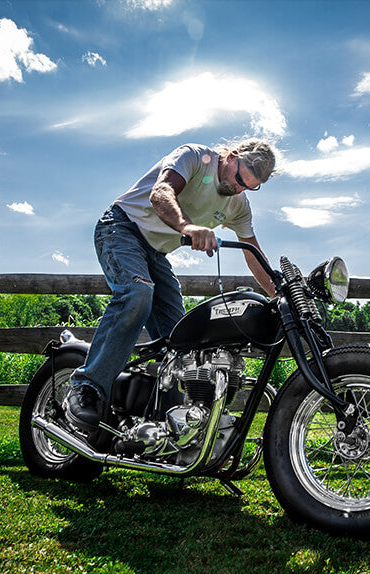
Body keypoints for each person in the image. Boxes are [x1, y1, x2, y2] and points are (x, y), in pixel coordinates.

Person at [64, 139, 278, 432]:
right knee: (137, 293)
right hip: (121, 228)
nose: (239, 188)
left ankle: (164, 428)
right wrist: (187, 227)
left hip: (155, 253)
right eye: (239, 178)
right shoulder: (194, 157)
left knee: (181, 338)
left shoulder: (238, 205)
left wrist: (279, 295)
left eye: (249, 187)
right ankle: (86, 388)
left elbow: (251, 250)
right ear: (231, 155)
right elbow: (160, 193)